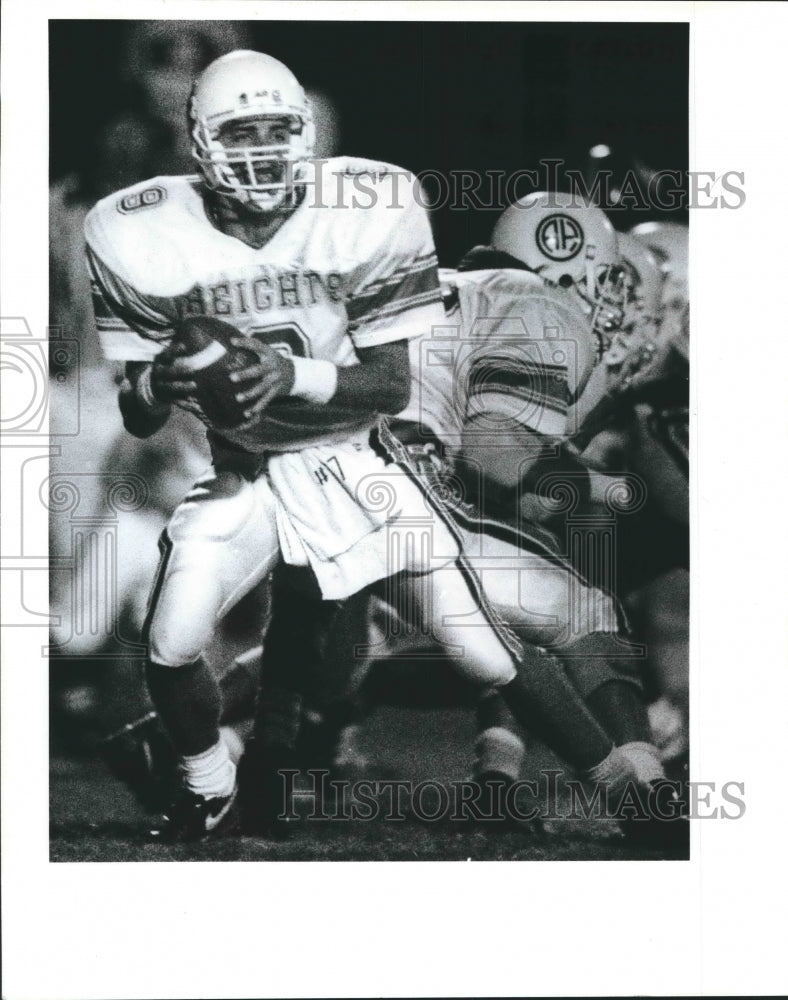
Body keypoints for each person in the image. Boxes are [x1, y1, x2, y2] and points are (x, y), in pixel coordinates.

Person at [86, 52, 647, 843]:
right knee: (185, 637)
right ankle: (219, 783)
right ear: (200, 142)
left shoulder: (369, 210)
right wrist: (160, 387)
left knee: (466, 643)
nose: (260, 153)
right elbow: (139, 408)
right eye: (239, 132)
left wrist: (287, 373)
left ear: (305, 134)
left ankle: (626, 792)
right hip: (255, 470)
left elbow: (387, 385)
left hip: (358, 458)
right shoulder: (139, 227)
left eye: (275, 131)